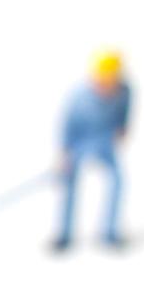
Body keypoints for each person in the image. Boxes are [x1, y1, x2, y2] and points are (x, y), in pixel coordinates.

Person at [54, 51, 131, 250]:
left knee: (117, 180)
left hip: (104, 141)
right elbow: (67, 124)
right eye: (102, 81)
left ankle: (109, 233)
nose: (106, 86)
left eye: (110, 81)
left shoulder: (125, 91)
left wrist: (122, 127)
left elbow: (125, 111)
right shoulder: (79, 96)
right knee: (69, 182)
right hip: (79, 142)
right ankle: (64, 235)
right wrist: (64, 153)